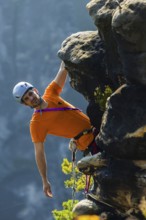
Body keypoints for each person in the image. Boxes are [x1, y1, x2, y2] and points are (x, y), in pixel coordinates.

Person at [12, 61, 99, 198]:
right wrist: (44, 180)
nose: (31, 98)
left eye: (30, 93)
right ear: (25, 104)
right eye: (27, 98)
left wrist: (68, 46)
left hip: (99, 129)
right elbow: (39, 153)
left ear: (35, 90)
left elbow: (62, 69)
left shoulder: (51, 93)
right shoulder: (36, 124)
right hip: (90, 143)